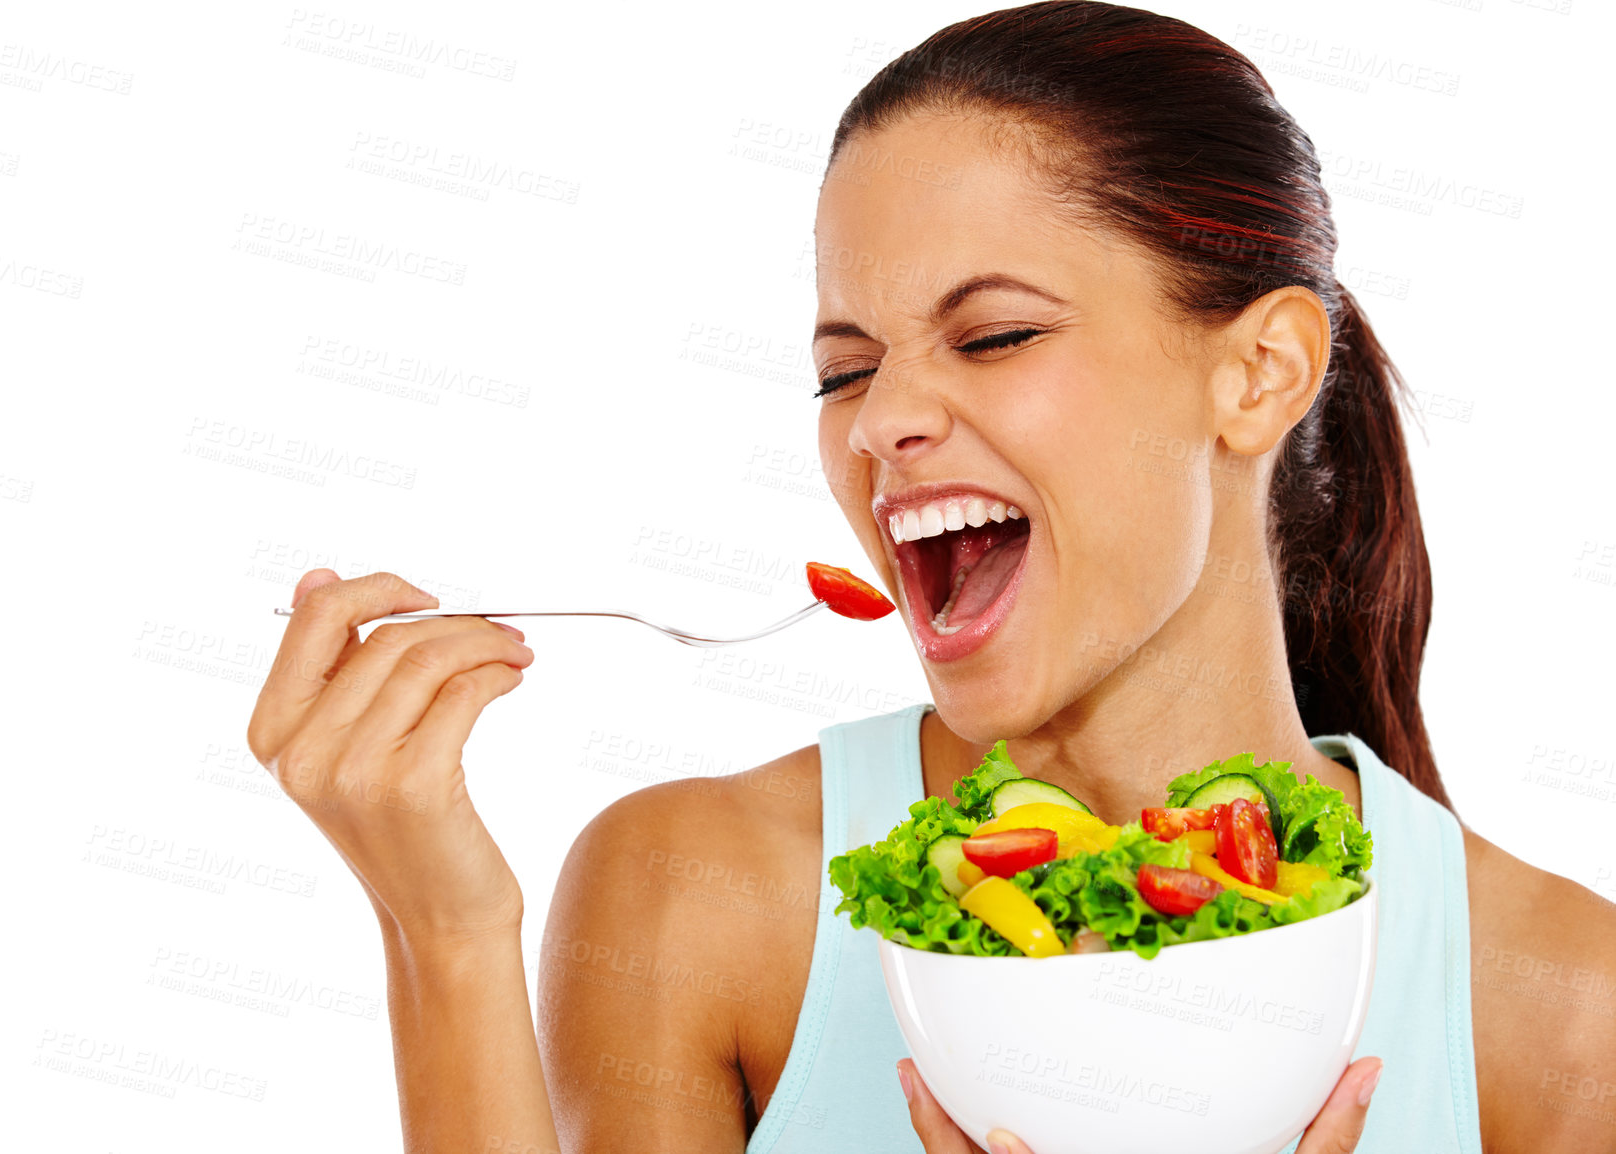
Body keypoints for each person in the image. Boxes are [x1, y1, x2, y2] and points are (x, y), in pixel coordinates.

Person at [245, 3, 1616, 1151]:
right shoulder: (702, 892)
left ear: (1258, 373)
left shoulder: (1558, 1008)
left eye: (996, 335)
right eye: (845, 365)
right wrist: (445, 931)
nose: (880, 419)